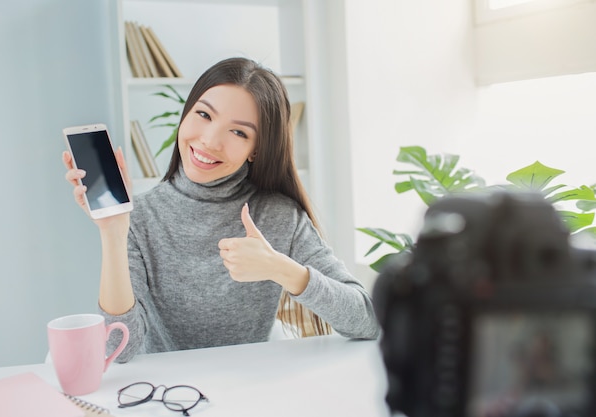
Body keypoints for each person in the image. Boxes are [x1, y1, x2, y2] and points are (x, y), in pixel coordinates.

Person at [63, 57, 380, 363]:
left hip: (248, 390)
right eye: (203, 115)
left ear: (256, 149)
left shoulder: (278, 216)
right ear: (186, 114)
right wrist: (114, 232)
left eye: (239, 132)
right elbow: (121, 348)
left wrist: (279, 268)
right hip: (166, 396)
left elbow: (366, 320)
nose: (210, 140)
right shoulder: (142, 216)